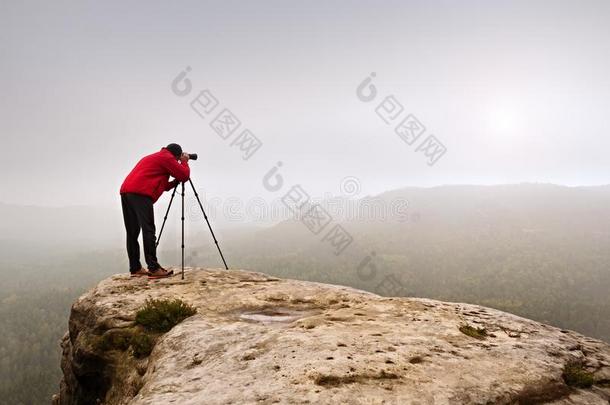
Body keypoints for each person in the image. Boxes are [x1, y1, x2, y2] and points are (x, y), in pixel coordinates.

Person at [120, 143, 190, 279]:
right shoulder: (167, 158)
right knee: (148, 230)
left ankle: (135, 268)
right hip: (141, 194)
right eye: (177, 159)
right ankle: (154, 268)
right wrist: (184, 163)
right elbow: (184, 175)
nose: (176, 162)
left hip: (126, 192)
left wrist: (175, 182)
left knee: (132, 232)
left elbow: (164, 185)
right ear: (176, 155)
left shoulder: (154, 157)